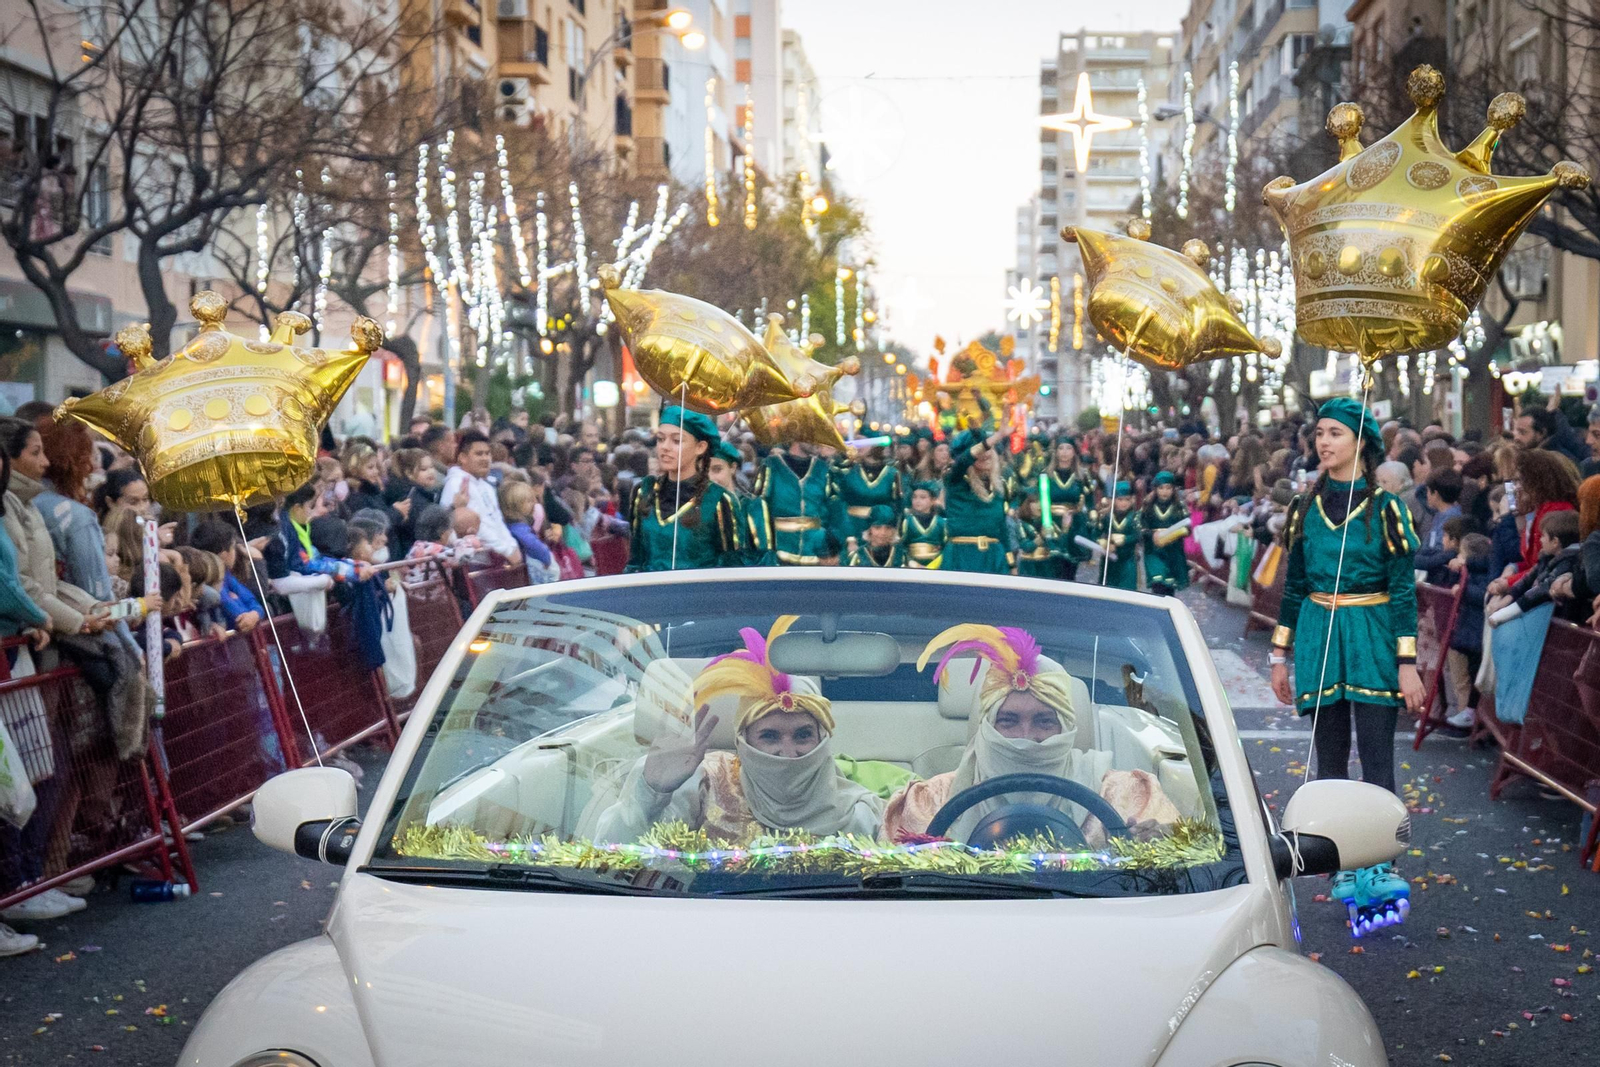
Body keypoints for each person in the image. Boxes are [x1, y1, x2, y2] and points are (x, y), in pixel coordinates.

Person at [1270, 397, 1422, 911]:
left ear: (1361, 442)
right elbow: (1293, 588)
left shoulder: (1387, 509)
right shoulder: (1302, 508)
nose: (1324, 442)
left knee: (1377, 759)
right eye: (1319, 433)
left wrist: (1407, 663)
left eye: (1335, 432)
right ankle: (1339, 864)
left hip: (1373, 632)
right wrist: (1278, 655)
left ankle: (1378, 864)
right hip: (1318, 633)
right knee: (1330, 761)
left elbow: (1403, 591)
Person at [880, 624, 1178, 844]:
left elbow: (1176, 863)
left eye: (1045, 722)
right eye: (1009, 721)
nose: (1027, 736)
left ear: (1067, 727)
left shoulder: (1125, 797)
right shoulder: (930, 803)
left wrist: (1154, 844)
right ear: (985, 728)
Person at [594, 617, 885, 841]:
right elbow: (614, 854)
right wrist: (651, 794)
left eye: (803, 735)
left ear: (823, 739)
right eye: (769, 736)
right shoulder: (704, 785)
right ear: (743, 741)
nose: (787, 752)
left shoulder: (859, 813)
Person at [626, 407, 744, 572]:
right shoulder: (644, 491)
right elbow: (635, 561)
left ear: (700, 447)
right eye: (660, 439)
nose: (665, 447)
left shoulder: (719, 500)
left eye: (676, 441)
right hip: (650, 595)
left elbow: (732, 568)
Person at [439, 430, 521, 566]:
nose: (485, 458)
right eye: (478, 454)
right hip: (472, 564)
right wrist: (507, 551)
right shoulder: (457, 484)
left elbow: (497, 521)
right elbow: (478, 526)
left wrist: (512, 547)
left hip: (497, 561)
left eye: (487, 453)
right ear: (463, 458)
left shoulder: (486, 487)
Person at [1487, 509, 1582, 627]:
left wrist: (1502, 615)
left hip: (1558, 622)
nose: (1540, 540)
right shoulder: (1547, 557)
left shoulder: (1569, 563)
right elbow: (1527, 579)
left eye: (1543, 536)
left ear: (1555, 542)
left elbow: (1541, 591)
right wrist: (1507, 599)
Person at [940, 426, 1012, 574]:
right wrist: (996, 437)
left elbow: (1002, 528)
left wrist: (1011, 563)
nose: (985, 455)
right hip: (961, 555)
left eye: (989, 449)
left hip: (994, 557)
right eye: (980, 450)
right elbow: (962, 462)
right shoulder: (955, 480)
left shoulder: (999, 486)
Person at [1442, 532, 1492, 731]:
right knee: (1466, 673)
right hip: (1468, 629)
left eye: (1462, 554)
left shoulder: (1482, 573)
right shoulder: (1470, 571)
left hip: (1476, 631)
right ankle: (1464, 712)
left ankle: (1470, 716)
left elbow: (1483, 596)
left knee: (1473, 675)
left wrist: (1463, 589)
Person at [755, 441, 833, 565]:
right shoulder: (771, 465)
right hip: (780, 551)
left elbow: (829, 508)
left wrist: (829, 548)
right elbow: (759, 506)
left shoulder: (823, 469)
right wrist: (766, 547)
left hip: (815, 555)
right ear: (797, 433)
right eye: (811, 435)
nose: (816, 440)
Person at [708, 440, 774, 566]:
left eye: (717, 470)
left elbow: (765, 556)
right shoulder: (699, 508)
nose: (711, 478)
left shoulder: (753, 506)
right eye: (705, 470)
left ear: (732, 468)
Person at [831, 445, 903, 551]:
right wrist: (849, 536)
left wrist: (890, 533)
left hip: (880, 531)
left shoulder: (892, 474)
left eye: (865, 441)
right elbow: (840, 504)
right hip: (852, 526)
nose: (858, 445)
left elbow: (897, 507)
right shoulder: (848, 471)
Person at [1141, 471, 1189, 596]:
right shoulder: (1149, 506)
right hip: (1154, 550)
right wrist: (1151, 534)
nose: (1165, 491)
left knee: (1168, 587)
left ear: (1173, 489)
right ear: (1155, 489)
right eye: (1161, 488)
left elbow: (1188, 527)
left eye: (1168, 488)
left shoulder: (1179, 507)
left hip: (1172, 551)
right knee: (1158, 582)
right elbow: (1140, 525)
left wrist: (1177, 533)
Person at [1098, 482, 1141, 591]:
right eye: (1120, 499)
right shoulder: (1107, 517)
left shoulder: (1135, 517)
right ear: (1113, 500)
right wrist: (1104, 543)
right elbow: (1097, 532)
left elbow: (1138, 535)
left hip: (1127, 561)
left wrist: (1125, 539)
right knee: (1108, 590)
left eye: (1127, 499)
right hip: (1109, 561)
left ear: (1132, 500)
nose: (1123, 503)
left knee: (1126, 591)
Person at [1514, 405, 1590, 467]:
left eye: (1523, 432)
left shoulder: (1559, 463)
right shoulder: (1525, 458)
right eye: (1517, 431)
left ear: (1541, 433)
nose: (1517, 437)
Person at [898, 481, 946, 569]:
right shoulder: (907, 522)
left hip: (936, 566)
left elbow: (946, 547)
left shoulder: (941, 523)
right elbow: (901, 546)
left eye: (923, 497)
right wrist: (911, 562)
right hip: (912, 566)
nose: (917, 501)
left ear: (933, 501)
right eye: (914, 497)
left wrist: (936, 564)